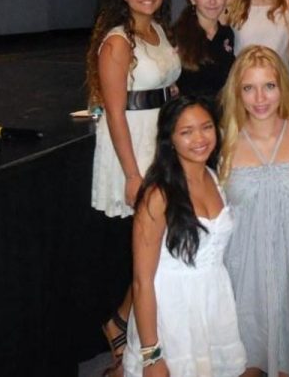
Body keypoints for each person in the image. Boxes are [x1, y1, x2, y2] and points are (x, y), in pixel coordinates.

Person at [86, 0, 181, 369]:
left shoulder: (157, 30)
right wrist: (131, 172)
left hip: (162, 139)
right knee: (151, 243)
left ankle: (123, 318)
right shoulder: (117, 41)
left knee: (161, 243)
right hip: (135, 145)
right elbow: (113, 111)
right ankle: (124, 323)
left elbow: (166, 83)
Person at [219, 45, 289, 377]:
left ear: (283, 86)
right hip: (243, 271)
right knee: (247, 364)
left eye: (269, 85)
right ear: (237, 92)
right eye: (249, 88)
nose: (260, 98)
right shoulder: (225, 140)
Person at [122, 96, 247, 377]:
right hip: (171, 312)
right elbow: (142, 282)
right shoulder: (158, 195)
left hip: (214, 301)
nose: (200, 139)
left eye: (206, 127)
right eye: (186, 132)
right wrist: (151, 355)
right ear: (171, 139)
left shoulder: (214, 177)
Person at [172, 0, 235, 102]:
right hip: (189, 116)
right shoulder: (176, 36)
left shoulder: (228, 34)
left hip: (223, 116)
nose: (212, 1)